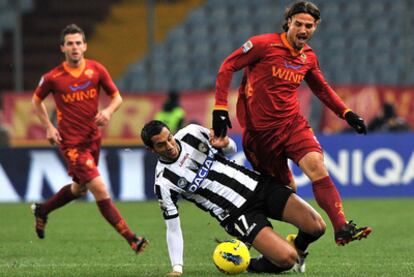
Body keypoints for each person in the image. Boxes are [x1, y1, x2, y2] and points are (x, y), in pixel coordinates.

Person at [212, 1, 371, 246]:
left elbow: (322, 89)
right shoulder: (262, 45)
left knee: (317, 166)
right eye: (298, 24)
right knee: (286, 192)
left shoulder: (308, 57)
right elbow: (227, 66)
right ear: (288, 22)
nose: (303, 30)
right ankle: (289, 245)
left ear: (316, 27)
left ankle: (341, 227)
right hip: (261, 136)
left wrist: (347, 113)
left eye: (309, 26)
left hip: (293, 125)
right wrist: (220, 108)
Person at [141, 120, 326, 275]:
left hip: (258, 185)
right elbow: (173, 228)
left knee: (317, 227)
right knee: (288, 260)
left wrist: (226, 144)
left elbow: (230, 150)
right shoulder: (163, 182)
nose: (170, 146)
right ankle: (249, 264)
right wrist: (177, 268)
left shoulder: (192, 132)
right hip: (238, 214)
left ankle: (298, 245)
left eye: (169, 139)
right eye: (161, 145)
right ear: (151, 149)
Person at [31, 24, 148, 254]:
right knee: (99, 188)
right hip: (72, 144)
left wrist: (107, 112)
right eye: (70, 44)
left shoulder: (96, 70)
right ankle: (132, 238)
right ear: (62, 48)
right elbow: (36, 101)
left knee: (79, 189)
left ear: (85, 46)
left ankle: (42, 210)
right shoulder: (53, 77)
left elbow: (117, 97)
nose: (74, 47)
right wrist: (48, 127)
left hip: (93, 139)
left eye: (78, 43)